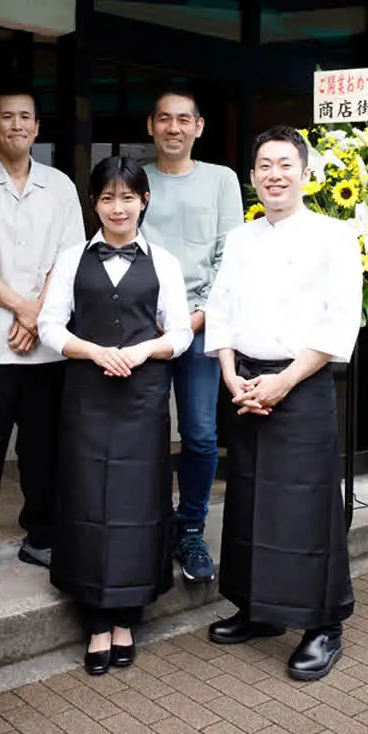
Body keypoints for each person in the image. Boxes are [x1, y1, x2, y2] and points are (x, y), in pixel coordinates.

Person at [204, 124, 362, 681]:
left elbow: (338, 321)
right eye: (264, 165)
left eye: (285, 164)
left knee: (306, 506)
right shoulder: (242, 237)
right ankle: (258, 610)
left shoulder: (335, 235)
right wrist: (230, 375)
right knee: (248, 499)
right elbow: (219, 309)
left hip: (302, 381)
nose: (275, 174)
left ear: (305, 172)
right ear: (252, 178)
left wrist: (283, 381)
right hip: (245, 381)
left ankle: (324, 626)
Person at [38, 156, 192, 676]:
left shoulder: (164, 263)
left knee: (138, 501)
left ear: (144, 201)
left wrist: (145, 351)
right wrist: (90, 350)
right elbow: (50, 327)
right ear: (94, 203)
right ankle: (96, 622)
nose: (118, 207)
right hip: (87, 396)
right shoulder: (69, 259)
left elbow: (182, 332)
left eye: (128, 197)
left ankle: (127, 616)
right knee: (86, 499)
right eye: (108, 197)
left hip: (144, 398)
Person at [0, 89, 85, 569]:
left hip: (45, 343)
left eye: (25, 116)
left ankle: (42, 535)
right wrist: (23, 309)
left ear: (36, 128)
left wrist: (36, 313)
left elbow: (68, 261)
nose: (16, 124)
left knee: (43, 444)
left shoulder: (61, 186)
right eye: (5, 116)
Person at [142, 88, 243, 583]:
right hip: (147, 328)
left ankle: (191, 529)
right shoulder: (137, 179)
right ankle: (151, 528)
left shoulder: (221, 180)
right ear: (151, 126)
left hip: (202, 328)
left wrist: (196, 318)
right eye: (165, 119)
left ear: (199, 127)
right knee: (146, 432)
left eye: (185, 119)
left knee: (201, 434)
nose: (174, 128)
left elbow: (232, 255)